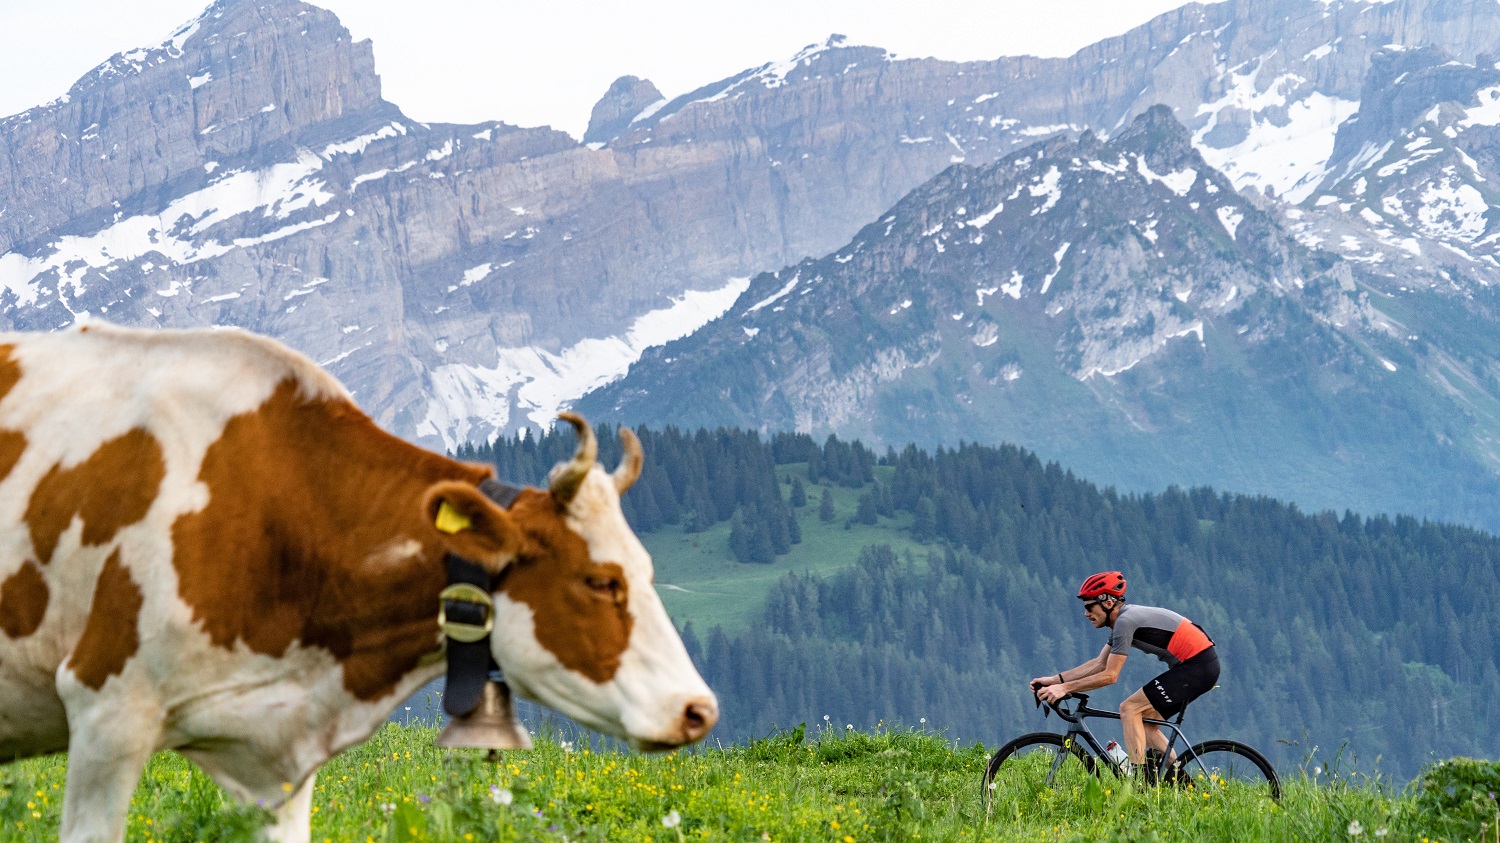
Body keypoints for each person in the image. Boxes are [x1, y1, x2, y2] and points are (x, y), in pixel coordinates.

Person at [1029, 571, 1219, 778]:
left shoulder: (1125, 622)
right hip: (1199, 666)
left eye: (1089, 606)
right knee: (1146, 726)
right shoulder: (1122, 621)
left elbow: (1110, 675)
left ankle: (1139, 784)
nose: (1086, 613)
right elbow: (1100, 663)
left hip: (1197, 666)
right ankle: (1185, 787)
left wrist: (1064, 689)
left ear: (1108, 602)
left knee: (1129, 709)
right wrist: (1055, 680)